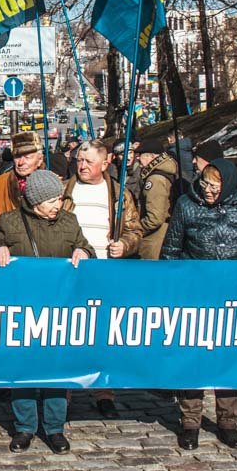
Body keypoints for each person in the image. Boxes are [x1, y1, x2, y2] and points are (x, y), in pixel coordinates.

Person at [161, 158, 237, 451]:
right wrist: (174, 284)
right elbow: (171, 250)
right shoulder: (187, 206)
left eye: (215, 186)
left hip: (233, 293)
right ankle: (190, 422)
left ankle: (228, 422)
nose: (209, 191)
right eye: (205, 184)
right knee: (192, 357)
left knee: (229, 357)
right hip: (194, 292)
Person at [0, 169, 93, 454]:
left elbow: (85, 246)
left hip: (59, 310)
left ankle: (55, 428)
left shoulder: (69, 222)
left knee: (56, 370)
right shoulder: (10, 222)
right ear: (35, 200)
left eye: (59, 198)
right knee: (24, 371)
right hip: (22, 309)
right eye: (52, 199)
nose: (58, 204)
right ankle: (25, 427)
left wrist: (85, 253)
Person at [61, 139, 143, 419]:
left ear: (105, 164)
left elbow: (135, 230)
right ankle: (66, 391)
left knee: (103, 333)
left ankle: (104, 392)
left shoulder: (119, 195)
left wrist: (125, 245)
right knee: (70, 333)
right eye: (79, 161)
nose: (82, 166)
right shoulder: (65, 191)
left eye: (89, 162)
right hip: (72, 270)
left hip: (106, 270)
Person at [136, 138, 179, 260]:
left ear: (150, 157)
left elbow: (154, 218)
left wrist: (136, 230)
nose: (138, 158)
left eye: (140, 155)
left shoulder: (155, 179)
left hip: (154, 240)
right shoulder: (166, 173)